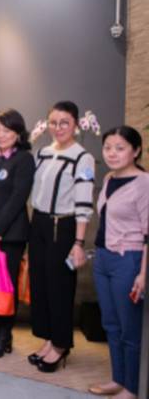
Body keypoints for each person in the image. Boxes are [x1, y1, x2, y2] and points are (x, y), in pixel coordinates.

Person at [28, 101, 95, 372]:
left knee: (60, 288)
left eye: (64, 122)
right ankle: (48, 338)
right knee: (40, 286)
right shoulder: (43, 152)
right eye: (53, 123)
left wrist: (78, 243)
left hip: (63, 227)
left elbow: (83, 202)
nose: (58, 128)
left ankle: (61, 345)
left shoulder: (82, 157)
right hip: (39, 223)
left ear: (76, 125)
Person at [88, 126, 147, 399]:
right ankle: (117, 379)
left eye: (120, 148)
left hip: (129, 259)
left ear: (136, 151)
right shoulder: (109, 178)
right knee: (110, 324)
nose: (112, 153)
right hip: (103, 258)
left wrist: (143, 274)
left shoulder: (144, 183)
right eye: (108, 147)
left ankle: (132, 388)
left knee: (129, 329)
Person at [0, 109, 35, 358]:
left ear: (18, 133)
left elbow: (18, 197)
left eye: (7, 130)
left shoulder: (24, 159)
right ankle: (1, 334)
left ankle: (3, 335)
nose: (1, 135)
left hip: (11, 234)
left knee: (7, 285)